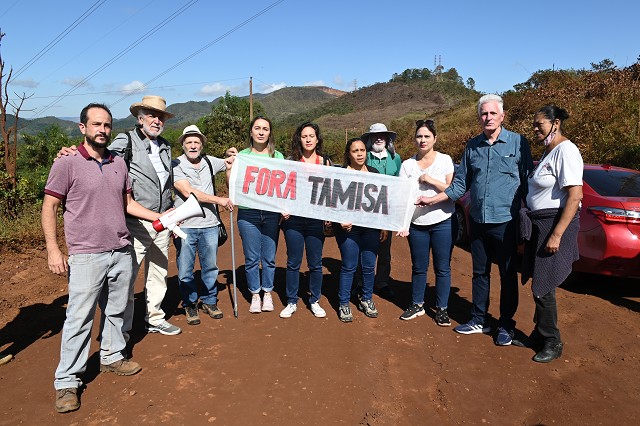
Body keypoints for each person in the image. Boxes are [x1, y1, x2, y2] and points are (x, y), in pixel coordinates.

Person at [43, 103, 163, 413]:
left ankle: (111, 357)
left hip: (120, 250)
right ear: (82, 127)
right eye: (96, 124)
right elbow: (50, 207)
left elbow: (128, 203)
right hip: (85, 255)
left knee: (118, 309)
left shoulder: (117, 163)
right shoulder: (67, 163)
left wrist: (161, 217)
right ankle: (67, 381)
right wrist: (54, 249)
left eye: (107, 125)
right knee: (79, 319)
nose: (103, 130)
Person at [56, 95, 180, 337]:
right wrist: (69, 152)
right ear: (140, 118)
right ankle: (121, 329)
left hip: (162, 220)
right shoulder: (127, 140)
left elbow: (168, 180)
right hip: (134, 223)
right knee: (126, 281)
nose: (156, 120)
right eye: (152, 115)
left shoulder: (165, 145)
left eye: (161, 117)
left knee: (158, 273)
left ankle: (154, 317)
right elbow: (97, 155)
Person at [417, 94, 533, 345]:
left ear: (502, 116)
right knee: (479, 272)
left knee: (507, 274)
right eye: (484, 113)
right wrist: (432, 200)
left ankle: (505, 325)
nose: (488, 117)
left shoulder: (518, 143)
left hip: (506, 221)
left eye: (492, 113)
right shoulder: (472, 146)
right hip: (478, 220)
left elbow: (527, 183)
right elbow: (460, 185)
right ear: (479, 117)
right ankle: (478, 319)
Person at [514, 105, 582, 363]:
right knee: (537, 284)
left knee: (544, 286)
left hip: (553, 225)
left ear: (555, 123)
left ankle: (553, 341)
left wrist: (557, 235)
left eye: (538, 124)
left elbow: (575, 195)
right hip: (539, 225)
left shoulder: (567, 150)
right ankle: (538, 334)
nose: (534, 129)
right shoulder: (547, 151)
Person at [172, 125, 236, 325]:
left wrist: (230, 155)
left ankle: (209, 300)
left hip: (210, 224)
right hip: (185, 226)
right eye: (189, 142)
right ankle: (190, 304)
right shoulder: (176, 165)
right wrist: (220, 200)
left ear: (201, 144)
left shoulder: (209, 161)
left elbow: (228, 163)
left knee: (210, 267)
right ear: (183, 144)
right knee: (185, 269)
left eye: (196, 142)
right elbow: (189, 192)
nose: (193, 145)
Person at [397, 119, 455, 326]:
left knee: (442, 267)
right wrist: (403, 224)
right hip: (416, 224)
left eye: (427, 136)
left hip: (442, 221)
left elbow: (451, 189)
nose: (422, 140)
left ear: (435, 139)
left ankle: (442, 309)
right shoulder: (407, 165)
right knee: (419, 267)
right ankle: (417, 304)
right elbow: (402, 197)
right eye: (419, 136)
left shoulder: (445, 160)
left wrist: (430, 180)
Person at [279, 122, 330, 319]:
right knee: (293, 262)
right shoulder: (291, 161)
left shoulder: (325, 162)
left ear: (317, 139)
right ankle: (292, 301)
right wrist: (282, 209)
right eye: (304, 136)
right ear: (299, 139)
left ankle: (314, 300)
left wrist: (328, 215)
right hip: (294, 220)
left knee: (315, 263)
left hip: (316, 220)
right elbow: (282, 188)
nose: (308, 139)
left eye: (311, 136)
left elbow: (330, 191)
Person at [335, 137, 388, 322]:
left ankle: (367, 299)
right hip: (349, 230)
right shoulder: (340, 173)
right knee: (349, 266)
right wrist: (339, 220)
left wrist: (383, 226)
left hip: (370, 229)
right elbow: (332, 203)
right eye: (355, 151)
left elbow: (381, 201)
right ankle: (343, 302)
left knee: (368, 266)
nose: (359, 154)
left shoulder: (374, 172)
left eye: (362, 150)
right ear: (348, 154)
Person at [236, 116, 284, 313]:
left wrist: (284, 207)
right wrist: (231, 166)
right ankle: (255, 294)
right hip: (248, 214)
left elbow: (285, 185)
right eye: (257, 128)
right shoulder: (242, 155)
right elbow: (234, 182)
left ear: (270, 132)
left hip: (272, 214)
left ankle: (267, 293)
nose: (261, 132)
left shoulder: (278, 157)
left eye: (265, 128)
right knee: (252, 258)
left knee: (270, 257)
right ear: (251, 132)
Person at [361, 123, 401, 298]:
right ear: (370, 139)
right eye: (375, 135)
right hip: (365, 211)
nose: (379, 138)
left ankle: (382, 281)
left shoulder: (396, 158)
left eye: (382, 135)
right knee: (365, 246)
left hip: (388, 210)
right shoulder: (364, 156)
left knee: (385, 248)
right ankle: (362, 281)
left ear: (387, 139)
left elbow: (401, 183)